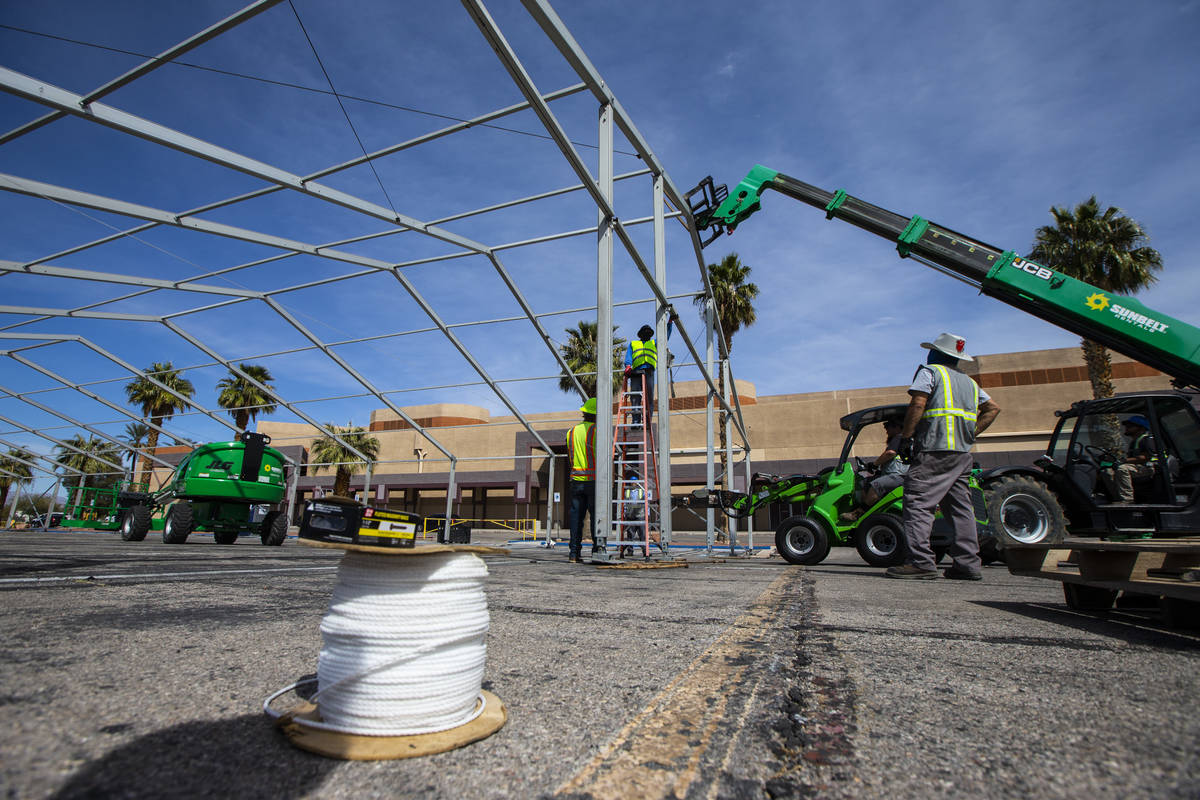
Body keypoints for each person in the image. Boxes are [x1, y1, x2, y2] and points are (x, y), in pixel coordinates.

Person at [887, 333, 1001, 581]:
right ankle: (968, 564)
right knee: (961, 509)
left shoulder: (930, 372)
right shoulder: (969, 383)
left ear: (937, 353)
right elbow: (993, 408)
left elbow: (918, 403)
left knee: (918, 503)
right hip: (961, 455)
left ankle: (921, 562)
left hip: (933, 451)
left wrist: (906, 439)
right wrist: (971, 433)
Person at [840, 419, 908, 523]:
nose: (886, 430)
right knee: (863, 483)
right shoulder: (900, 440)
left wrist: (875, 464)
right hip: (894, 475)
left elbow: (890, 453)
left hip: (899, 476)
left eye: (887, 427)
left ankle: (858, 514)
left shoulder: (899, 437)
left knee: (876, 484)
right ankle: (869, 512)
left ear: (897, 427)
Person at [624, 314, 675, 426]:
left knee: (649, 397)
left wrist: (670, 322)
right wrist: (628, 365)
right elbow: (628, 356)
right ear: (640, 334)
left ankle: (647, 420)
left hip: (649, 372)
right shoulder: (633, 343)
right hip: (636, 372)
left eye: (648, 332)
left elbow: (664, 336)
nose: (647, 333)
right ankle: (636, 421)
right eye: (645, 331)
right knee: (635, 396)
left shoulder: (654, 343)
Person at [566, 397, 598, 563]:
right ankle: (597, 551)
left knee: (576, 518)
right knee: (596, 517)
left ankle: (574, 553)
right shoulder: (596, 431)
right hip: (593, 481)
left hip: (576, 480)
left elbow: (570, 457)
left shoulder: (571, 432)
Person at [1101, 415, 1158, 504]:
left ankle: (1128, 500)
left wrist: (1124, 461)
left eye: (1130, 426)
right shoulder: (1134, 442)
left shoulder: (1146, 440)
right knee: (1107, 471)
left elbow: (1145, 457)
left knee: (1122, 469)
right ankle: (1117, 498)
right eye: (1127, 426)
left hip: (1149, 468)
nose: (1127, 428)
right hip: (1137, 467)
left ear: (1141, 428)